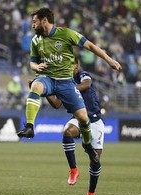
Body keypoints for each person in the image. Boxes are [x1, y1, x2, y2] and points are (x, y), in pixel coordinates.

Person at [17, 8, 121, 163]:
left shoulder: (66, 34)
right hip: (48, 78)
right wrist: (35, 67)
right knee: (36, 86)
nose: (32, 25)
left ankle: (87, 145)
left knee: (83, 118)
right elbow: (32, 61)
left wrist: (109, 60)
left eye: (34, 21)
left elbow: (91, 46)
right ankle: (30, 126)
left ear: (44, 20)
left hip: (66, 82)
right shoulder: (35, 41)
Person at [29, 58, 104, 195]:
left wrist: (68, 90)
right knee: (67, 132)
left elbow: (87, 84)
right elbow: (57, 104)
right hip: (78, 119)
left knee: (95, 161)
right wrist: (45, 92)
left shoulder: (83, 75)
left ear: (75, 66)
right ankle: (73, 169)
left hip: (95, 122)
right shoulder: (63, 81)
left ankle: (90, 194)